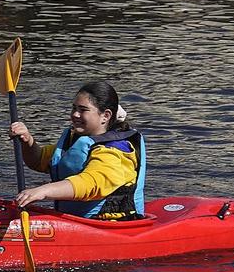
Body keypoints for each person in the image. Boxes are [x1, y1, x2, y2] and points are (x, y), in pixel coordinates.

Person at [8, 80, 146, 218]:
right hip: (77, 221)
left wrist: (43, 191)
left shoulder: (116, 150)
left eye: (83, 110)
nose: (75, 114)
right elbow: (38, 161)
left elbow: (90, 184)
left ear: (106, 116)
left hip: (110, 225)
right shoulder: (77, 139)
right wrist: (27, 141)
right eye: (74, 108)